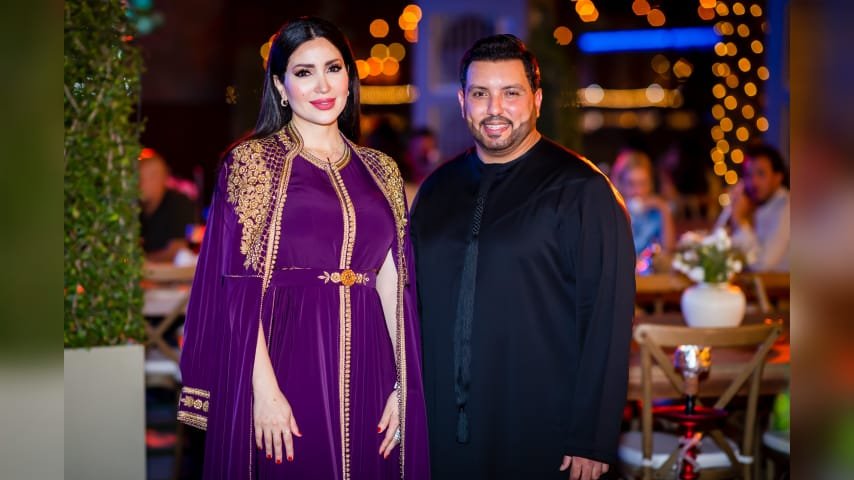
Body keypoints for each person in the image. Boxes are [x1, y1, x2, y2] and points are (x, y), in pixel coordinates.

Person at [177, 17, 429, 479]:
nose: (322, 85)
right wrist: (264, 391)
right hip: (288, 356)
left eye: (333, 68)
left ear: (350, 78)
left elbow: (393, 282)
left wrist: (404, 384)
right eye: (304, 72)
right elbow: (237, 289)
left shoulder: (382, 169)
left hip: (373, 362)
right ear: (280, 85)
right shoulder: (252, 163)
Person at [411, 34, 635, 480]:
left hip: (541, 428)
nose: (495, 108)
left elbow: (607, 316)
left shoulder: (581, 190)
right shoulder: (437, 189)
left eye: (510, 93)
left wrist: (592, 436)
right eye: (480, 93)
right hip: (440, 426)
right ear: (463, 102)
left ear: (536, 99)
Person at [719, 143, 790, 271]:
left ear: (777, 178)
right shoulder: (746, 200)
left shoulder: (787, 208)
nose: (753, 182)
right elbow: (716, 247)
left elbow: (763, 265)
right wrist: (730, 211)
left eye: (761, 174)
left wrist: (740, 221)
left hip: (777, 283)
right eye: (748, 174)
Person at [610, 148, 676, 269]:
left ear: (650, 184)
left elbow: (669, 250)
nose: (638, 191)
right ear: (620, 184)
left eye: (642, 183)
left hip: (649, 274)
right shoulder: (611, 213)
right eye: (631, 184)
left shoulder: (656, 213)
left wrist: (663, 208)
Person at [138, 148, 197, 262]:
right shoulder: (136, 208)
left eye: (151, 176)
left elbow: (177, 250)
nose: (142, 183)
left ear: (163, 178)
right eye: (140, 177)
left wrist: (139, 262)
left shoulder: (179, 203)